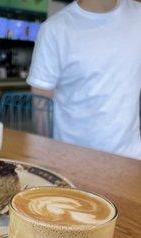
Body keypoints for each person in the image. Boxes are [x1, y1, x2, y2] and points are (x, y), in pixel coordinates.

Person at [27, 0, 141, 159]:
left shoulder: (137, 15)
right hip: (74, 160)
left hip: (132, 159)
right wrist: (46, 158)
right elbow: (41, 102)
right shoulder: (56, 29)